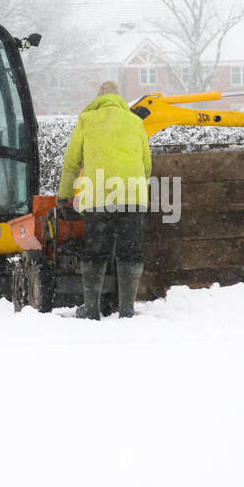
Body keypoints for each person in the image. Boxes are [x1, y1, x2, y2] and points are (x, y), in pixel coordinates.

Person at [57, 81, 152, 319]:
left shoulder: (87, 120)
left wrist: (64, 196)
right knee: (130, 250)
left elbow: (71, 164)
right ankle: (127, 310)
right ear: (120, 98)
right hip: (132, 196)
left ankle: (91, 309)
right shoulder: (135, 121)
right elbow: (146, 164)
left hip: (98, 196)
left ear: (97, 98)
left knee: (95, 251)